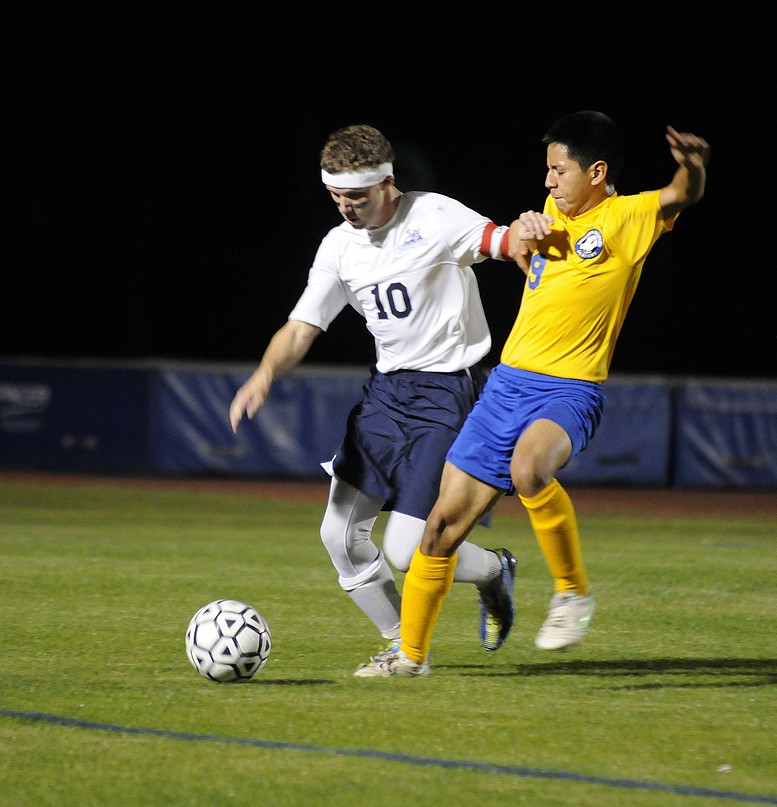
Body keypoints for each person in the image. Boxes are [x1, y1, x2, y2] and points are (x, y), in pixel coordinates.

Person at [372, 111, 711, 676]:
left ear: (597, 171)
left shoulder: (627, 217)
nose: (549, 181)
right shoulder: (553, 212)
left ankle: (572, 593)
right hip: (505, 386)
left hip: (569, 390)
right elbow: (532, 238)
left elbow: (680, 194)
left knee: (530, 469)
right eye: (547, 170)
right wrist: (525, 230)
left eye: (559, 170)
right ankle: (409, 658)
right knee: (438, 529)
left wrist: (693, 167)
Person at [228, 124, 518, 677]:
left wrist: (527, 238)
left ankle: (492, 570)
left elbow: (499, 243)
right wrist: (264, 375)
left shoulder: (435, 216)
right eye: (336, 197)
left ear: (387, 183)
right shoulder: (339, 245)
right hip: (386, 396)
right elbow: (301, 326)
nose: (345, 208)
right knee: (337, 534)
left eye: (355, 197)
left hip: (450, 393)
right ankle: (405, 646)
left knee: (408, 552)